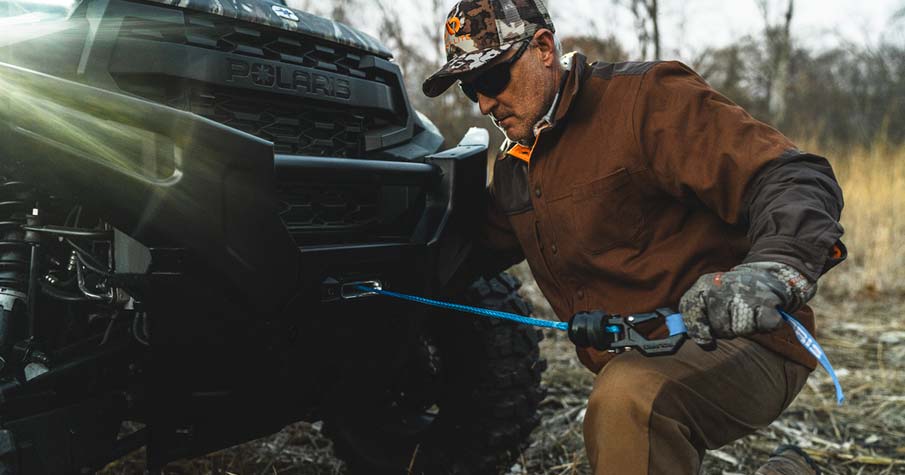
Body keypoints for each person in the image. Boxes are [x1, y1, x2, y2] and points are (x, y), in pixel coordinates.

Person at [422, 1, 845, 474]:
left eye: (492, 78)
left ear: (543, 48)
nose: (483, 104)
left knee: (626, 402)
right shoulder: (514, 167)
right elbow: (469, 249)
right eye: (470, 88)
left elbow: (793, 177)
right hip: (639, 361)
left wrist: (771, 270)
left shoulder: (647, 100)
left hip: (746, 339)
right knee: (626, 400)